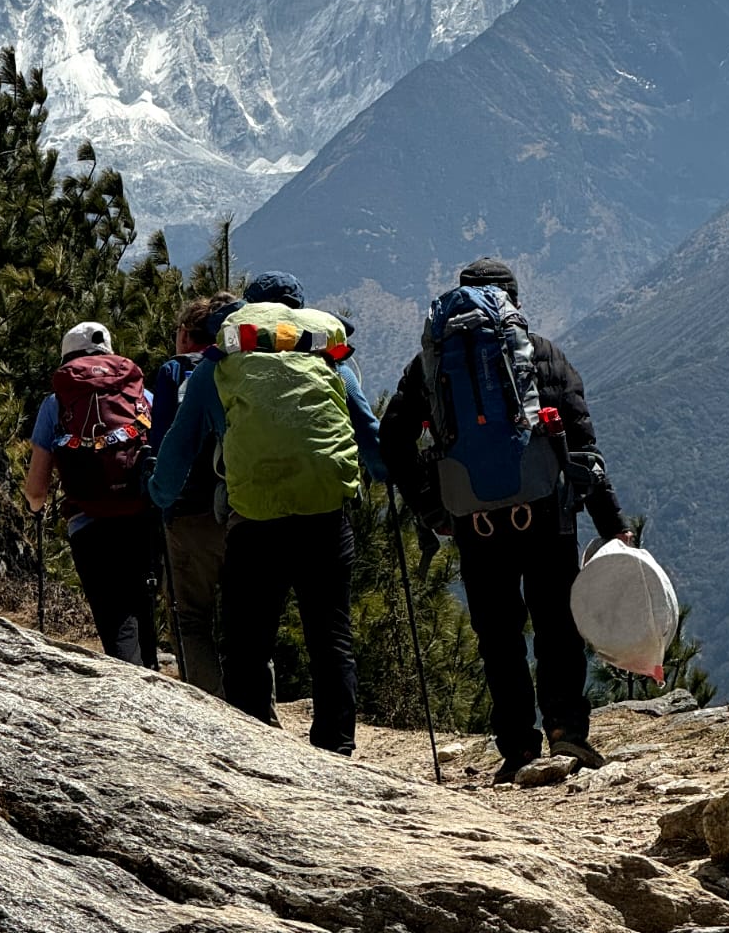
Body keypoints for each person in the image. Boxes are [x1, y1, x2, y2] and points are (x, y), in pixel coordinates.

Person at [379, 256, 631, 783]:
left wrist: (431, 506)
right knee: (557, 625)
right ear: (513, 302)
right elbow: (584, 453)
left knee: (498, 634)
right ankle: (567, 730)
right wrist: (615, 529)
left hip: (476, 524)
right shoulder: (542, 355)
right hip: (545, 517)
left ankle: (518, 746)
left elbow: (393, 440)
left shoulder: (430, 364)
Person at [149, 270, 385, 755]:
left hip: (254, 517)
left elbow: (180, 446)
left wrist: (158, 495)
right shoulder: (323, 353)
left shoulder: (223, 360)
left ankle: (255, 744)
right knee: (330, 631)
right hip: (324, 512)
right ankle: (336, 746)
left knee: (247, 637)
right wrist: (388, 473)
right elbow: (367, 427)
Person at [25, 320, 160, 668]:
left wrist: (37, 507)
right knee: (143, 606)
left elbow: (36, 487)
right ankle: (155, 680)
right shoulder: (143, 398)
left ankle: (134, 693)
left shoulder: (55, 403)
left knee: (115, 616)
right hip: (142, 515)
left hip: (88, 521)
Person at [149, 291, 242, 697]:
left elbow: (164, 442)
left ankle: (213, 708)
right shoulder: (241, 366)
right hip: (241, 506)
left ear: (187, 334)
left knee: (191, 617)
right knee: (247, 616)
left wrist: (159, 498)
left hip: (189, 513)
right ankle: (259, 707)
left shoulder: (175, 372)